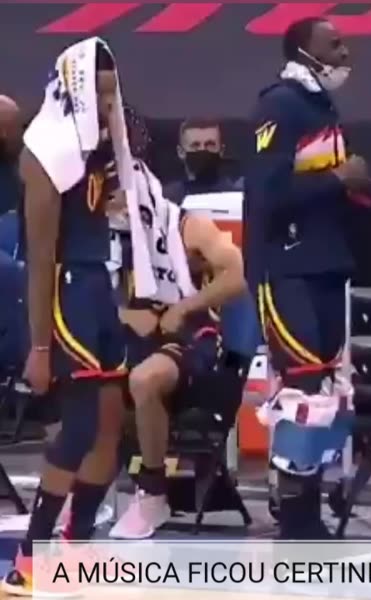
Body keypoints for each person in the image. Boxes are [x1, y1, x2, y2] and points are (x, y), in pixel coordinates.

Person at [244, 17, 371, 539]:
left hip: (325, 267)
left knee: (326, 394)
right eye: (335, 44)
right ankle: (294, 524)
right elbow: (267, 195)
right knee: (302, 392)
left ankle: (307, 518)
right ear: (304, 52)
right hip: (285, 270)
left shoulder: (323, 110)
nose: (346, 52)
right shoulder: (278, 106)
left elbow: (338, 194)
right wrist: (337, 178)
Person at [2, 40, 129, 595]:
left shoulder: (100, 143)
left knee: (111, 427)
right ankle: (29, 559)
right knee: (77, 428)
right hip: (65, 287)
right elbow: (40, 257)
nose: (109, 105)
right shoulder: (44, 152)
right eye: (100, 95)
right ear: (75, 92)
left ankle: (77, 546)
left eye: (113, 95)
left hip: (99, 282)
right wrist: (39, 347)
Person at [108, 155, 246, 539]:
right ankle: (86, 490)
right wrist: (123, 314)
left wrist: (184, 307)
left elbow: (238, 274)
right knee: (79, 379)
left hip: (188, 337)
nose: (109, 204)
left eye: (114, 196)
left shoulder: (186, 225)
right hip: (129, 335)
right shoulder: (101, 233)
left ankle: (153, 493)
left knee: (145, 379)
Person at [163, 118, 242, 206]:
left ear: (221, 151)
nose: (202, 150)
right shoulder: (165, 199)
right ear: (181, 152)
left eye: (210, 145)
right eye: (195, 145)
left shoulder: (237, 196)